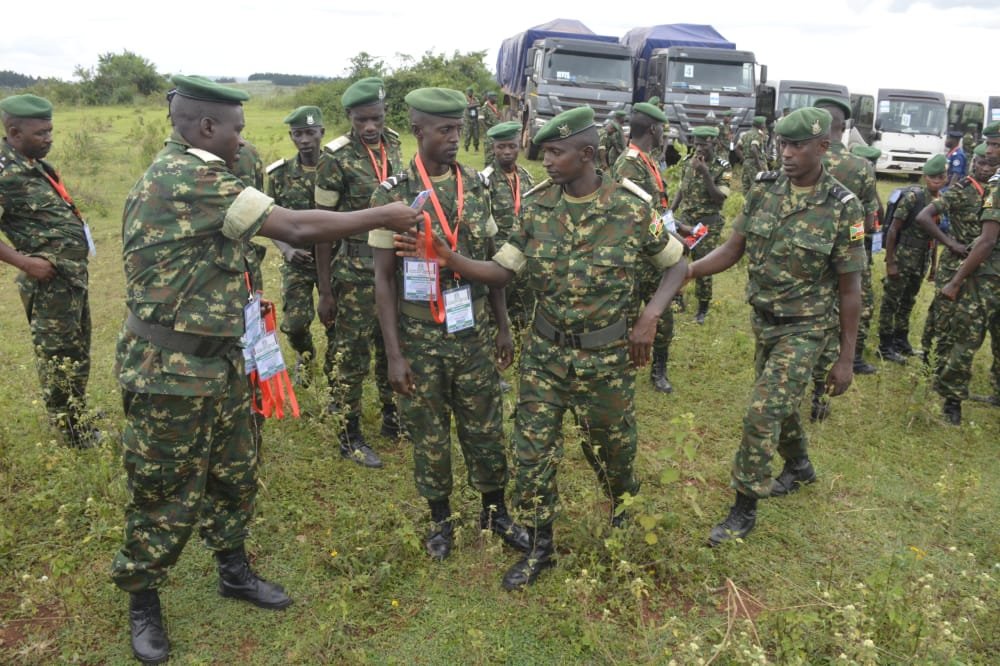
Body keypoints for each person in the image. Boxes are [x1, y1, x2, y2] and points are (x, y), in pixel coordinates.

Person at [112, 75, 419, 664]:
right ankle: (142, 597)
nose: (241, 141)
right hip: (170, 367)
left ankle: (232, 568)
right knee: (163, 486)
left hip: (224, 356)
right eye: (235, 130)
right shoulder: (187, 177)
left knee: (235, 469)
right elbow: (297, 226)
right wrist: (383, 213)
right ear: (207, 127)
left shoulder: (207, 173)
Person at [393, 105, 688, 590]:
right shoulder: (535, 206)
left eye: (555, 151)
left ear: (587, 154)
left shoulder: (632, 207)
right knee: (531, 453)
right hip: (546, 356)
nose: (546, 161)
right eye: (544, 152)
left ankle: (622, 509)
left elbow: (676, 265)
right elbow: (503, 271)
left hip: (605, 358)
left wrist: (650, 315)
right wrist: (451, 258)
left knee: (612, 450)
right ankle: (540, 544)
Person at [686, 107, 865, 546]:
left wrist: (845, 358)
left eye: (797, 145)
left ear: (823, 147)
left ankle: (744, 506)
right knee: (780, 405)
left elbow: (850, 289)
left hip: (806, 329)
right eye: (782, 144)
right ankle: (800, 467)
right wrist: (688, 272)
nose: (786, 153)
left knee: (762, 412)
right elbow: (733, 248)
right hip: (763, 321)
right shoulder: (765, 190)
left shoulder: (842, 206)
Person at [369, 87, 529, 562]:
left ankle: (494, 510)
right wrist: (394, 355)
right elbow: (382, 280)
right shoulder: (392, 194)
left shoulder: (478, 188)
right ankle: (440, 519)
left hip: (472, 328)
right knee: (429, 430)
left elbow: (493, 263)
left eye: (458, 128)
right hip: (419, 334)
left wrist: (502, 327)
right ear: (418, 132)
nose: (455, 138)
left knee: (484, 426)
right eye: (444, 130)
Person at [314, 77, 403, 467]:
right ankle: (348, 434)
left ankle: (392, 416)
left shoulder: (395, 144)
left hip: (393, 266)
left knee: (391, 345)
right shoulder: (335, 157)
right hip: (352, 270)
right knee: (352, 354)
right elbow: (320, 226)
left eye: (377, 118)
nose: (370, 127)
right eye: (362, 120)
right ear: (349, 116)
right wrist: (325, 289)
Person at [0, 94, 98, 448]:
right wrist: (26, 263)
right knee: (59, 356)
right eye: (41, 133)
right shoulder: (5, 171)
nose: (49, 138)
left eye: (51, 131)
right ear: (14, 131)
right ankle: (71, 431)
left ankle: (76, 413)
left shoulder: (35, 164)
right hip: (47, 281)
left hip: (69, 277)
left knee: (77, 351)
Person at [915, 149, 993, 396]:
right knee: (943, 317)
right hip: (956, 264)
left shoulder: (993, 191)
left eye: (991, 164)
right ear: (973, 163)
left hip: (984, 268)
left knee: (965, 322)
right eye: (981, 162)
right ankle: (932, 365)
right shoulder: (961, 190)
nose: (986, 168)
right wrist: (950, 243)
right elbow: (924, 217)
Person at [612, 102, 677, 393]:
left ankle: (658, 369)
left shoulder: (646, 160)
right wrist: (664, 234)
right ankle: (620, 367)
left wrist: (678, 228)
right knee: (627, 313)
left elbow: (656, 207)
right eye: (662, 129)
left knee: (662, 315)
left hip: (653, 249)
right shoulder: (629, 163)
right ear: (653, 129)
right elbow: (639, 214)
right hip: (637, 255)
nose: (664, 134)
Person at [813, 97, 880, 376]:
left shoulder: (807, 156)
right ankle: (851, 357)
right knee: (856, 298)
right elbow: (867, 219)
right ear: (844, 126)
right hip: (849, 250)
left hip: (807, 248)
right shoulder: (860, 166)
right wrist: (856, 240)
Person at [265, 106, 325, 386]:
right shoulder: (280, 174)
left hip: (333, 260)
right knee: (296, 322)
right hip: (297, 260)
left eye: (310, 133)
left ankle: (339, 372)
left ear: (321, 133)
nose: (305, 140)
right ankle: (306, 356)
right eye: (298, 134)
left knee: (337, 319)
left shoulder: (337, 169)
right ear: (291, 136)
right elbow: (266, 217)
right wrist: (286, 249)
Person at [877, 155, 948, 362]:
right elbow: (893, 229)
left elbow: (933, 236)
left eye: (941, 176)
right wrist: (890, 261)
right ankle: (885, 346)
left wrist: (933, 266)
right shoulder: (914, 198)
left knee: (908, 301)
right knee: (891, 302)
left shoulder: (940, 200)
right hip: (903, 256)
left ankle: (901, 341)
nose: (937, 180)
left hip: (921, 258)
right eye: (933, 177)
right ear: (925, 177)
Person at [670, 125, 731, 324]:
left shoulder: (723, 167)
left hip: (706, 225)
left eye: (703, 144)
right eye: (696, 144)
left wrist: (706, 174)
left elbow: (719, 199)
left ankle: (703, 306)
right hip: (685, 220)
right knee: (676, 259)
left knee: (703, 264)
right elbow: (681, 189)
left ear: (713, 142)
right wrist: (671, 211)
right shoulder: (689, 162)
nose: (698, 148)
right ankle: (676, 298)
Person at [482, 120, 535, 329]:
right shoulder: (485, 181)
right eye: (501, 146)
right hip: (499, 257)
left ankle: (520, 339)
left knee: (524, 308)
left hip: (524, 254)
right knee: (496, 309)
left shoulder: (526, 177)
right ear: (493, 148)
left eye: (512, 146)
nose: (506, 151)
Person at [737, 116, 769, 193]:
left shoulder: (746, 134)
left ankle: (746, 204)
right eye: (764, 124)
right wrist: (758, 165)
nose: (765, 125)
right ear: (760, 125)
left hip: (747, 163)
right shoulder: (758, 135)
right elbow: (753, 149)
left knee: (746, 188)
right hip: (756, 164)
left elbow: (737, 148)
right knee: (759, 187)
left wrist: (745, 160)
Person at [480, 91, 501, 167]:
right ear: (489, 98)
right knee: (489, 156)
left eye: (496, 97)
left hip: (496, 134)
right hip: (490, 135)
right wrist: (487, 131)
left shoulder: (494, 107)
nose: (496, 99)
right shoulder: (485, 108)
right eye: (494, 97)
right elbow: (481, 119)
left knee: (496, 155)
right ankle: (487, 173)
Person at [463, 86, 480, 152]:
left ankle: (476, 147)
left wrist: (473, 104)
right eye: (468, 92)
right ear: (466, 92)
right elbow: (468, 106)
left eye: (471, 91)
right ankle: (466, 147)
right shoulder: (464, 99)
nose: (470, 93)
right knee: (468, 135)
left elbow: (479, 104)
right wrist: (475, 105)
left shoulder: (475, 98)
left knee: (476, 135)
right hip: (468, 120)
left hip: (475, 119)